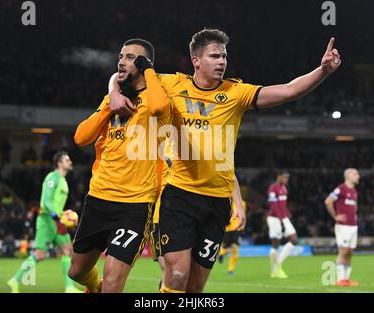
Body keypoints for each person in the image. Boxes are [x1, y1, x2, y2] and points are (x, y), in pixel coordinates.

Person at [109, 28, 341, 293]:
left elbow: (288, 91)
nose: (222, 61)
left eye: (224, 56)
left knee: (195, 288)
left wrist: (322, 71)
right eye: (214, 56)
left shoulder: (236, 93)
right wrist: (114, 93)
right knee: (177, 273)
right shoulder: (171, 84)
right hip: (178, 196)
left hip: (217, 203)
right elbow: (124, 73)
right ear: (196, 61)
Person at [67, 38, 168, 293]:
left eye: (131, 57)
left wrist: (148, 72)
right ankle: (94, 286)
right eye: (121, 56)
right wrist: (109, 104)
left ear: (145, 65)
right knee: (77, 272)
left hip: (135, 205)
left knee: (113, 282)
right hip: (99, 198)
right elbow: (81, 137)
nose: (122, 61)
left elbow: (158, 106)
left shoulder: (158, 95)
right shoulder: (113, 99)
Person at [7, 151, 80, 293]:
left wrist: (64, 216)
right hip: (47, 220)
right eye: (67, 160)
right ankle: (14, 280)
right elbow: (46, 201)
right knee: (40, 254)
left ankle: (69, 287)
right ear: (59, 163)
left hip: (57, 221)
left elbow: (56, 204)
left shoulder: (64, 181)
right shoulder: (52, 177)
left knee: (68, 251)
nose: (70, 162)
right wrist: (57, 218)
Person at [324, 168, 360, 287]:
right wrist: (336, 216)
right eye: (355, 174)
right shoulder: (341, 189)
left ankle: (346, 279)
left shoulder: (354, 191)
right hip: (343, 226)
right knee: (343, 251)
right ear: (348, 176)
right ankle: (340, 279)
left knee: (349, 252)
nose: (358, 176)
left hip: (353, 225)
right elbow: (328, 201)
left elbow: (355, 207)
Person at [267, 171, 297, 279]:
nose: (286, 180)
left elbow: (283, 205)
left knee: (294, 240)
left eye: (287, 178)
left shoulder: (284, 189)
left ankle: (277, 265)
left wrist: (287, 216)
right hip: (275, 219)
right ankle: (274, 271)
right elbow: (273, 205)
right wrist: (281, 218)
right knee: (275, 244)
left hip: (284, 218)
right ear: (278, 176)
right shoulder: (273, 188)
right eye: (284, 177)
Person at [218, 180, 247, 275]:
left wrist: (243, 227)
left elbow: (243, 216)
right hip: (230, 229)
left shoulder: (242, 203)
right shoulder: (229, 201)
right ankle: (222, 253)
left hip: (235, 229)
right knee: (231, 249)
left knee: (234, 250)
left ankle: (230, 269)